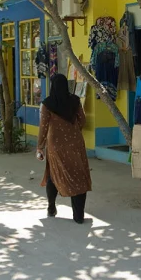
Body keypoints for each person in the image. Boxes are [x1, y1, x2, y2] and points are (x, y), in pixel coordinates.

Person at [36, 73, 91, 224]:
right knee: (78, 174)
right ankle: (78, 215)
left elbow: (44, 127)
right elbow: (82, 120)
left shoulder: (48, 103)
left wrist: (40, 147)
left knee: (54, 175)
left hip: (56, 144)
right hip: (75, 143)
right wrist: (72, 131)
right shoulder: (75, 100)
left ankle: (51, 207)